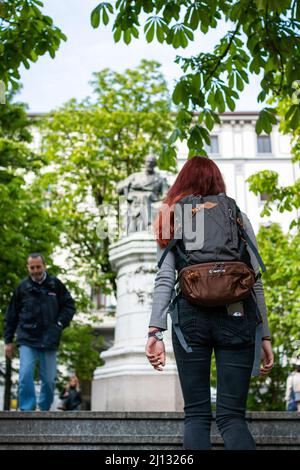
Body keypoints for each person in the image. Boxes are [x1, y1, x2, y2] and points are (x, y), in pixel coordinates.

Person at [145, 156, 274, 450]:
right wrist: (264, 334)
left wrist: (155, 332)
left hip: (190, 317)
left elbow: (165, 278)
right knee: (232, 418)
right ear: (218, 181)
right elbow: (256, 279)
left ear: (182, 183)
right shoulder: (237, 215)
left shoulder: (173, 216)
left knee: (197, 417)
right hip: (238, 315)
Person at [4, 253, 76, 411]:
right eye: (32, 267)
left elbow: (69, 306)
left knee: (49, 380)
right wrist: (8, 341)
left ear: (44, 266)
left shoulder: (55, 285)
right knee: (24, 375)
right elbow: (11, 315)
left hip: (49, 339)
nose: (35, 270)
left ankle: (43, 410)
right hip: (27, 338)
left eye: (38, 267)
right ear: (28, 267)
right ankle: (27, 410)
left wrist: (59, 323)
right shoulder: (22, 288)